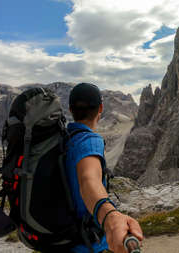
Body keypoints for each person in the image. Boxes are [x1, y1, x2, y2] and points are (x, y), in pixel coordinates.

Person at [66, 83, 144, 253]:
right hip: (84, 243)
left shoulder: (63, 139)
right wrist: (110, 216)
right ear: (101, 108)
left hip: (60, 239)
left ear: (70, 109)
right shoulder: (89, 140)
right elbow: (89, 179)